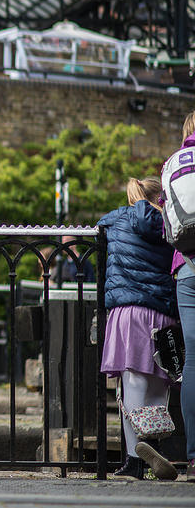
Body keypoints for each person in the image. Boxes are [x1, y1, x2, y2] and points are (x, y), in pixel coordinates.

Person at [98, 177, 178, 480]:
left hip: (128, 310)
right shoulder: (169, 223)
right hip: (163, 311)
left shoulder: (117, 217)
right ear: (161, 198)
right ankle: (153, 446)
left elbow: (99, 226)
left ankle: (135, 459)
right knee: (158, 384)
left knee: (131, 385)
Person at [169, 112, 195, 484]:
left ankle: (193, 459)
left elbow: (168, 224)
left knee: (193, 362)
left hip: (185, 268)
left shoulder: (173, 162)